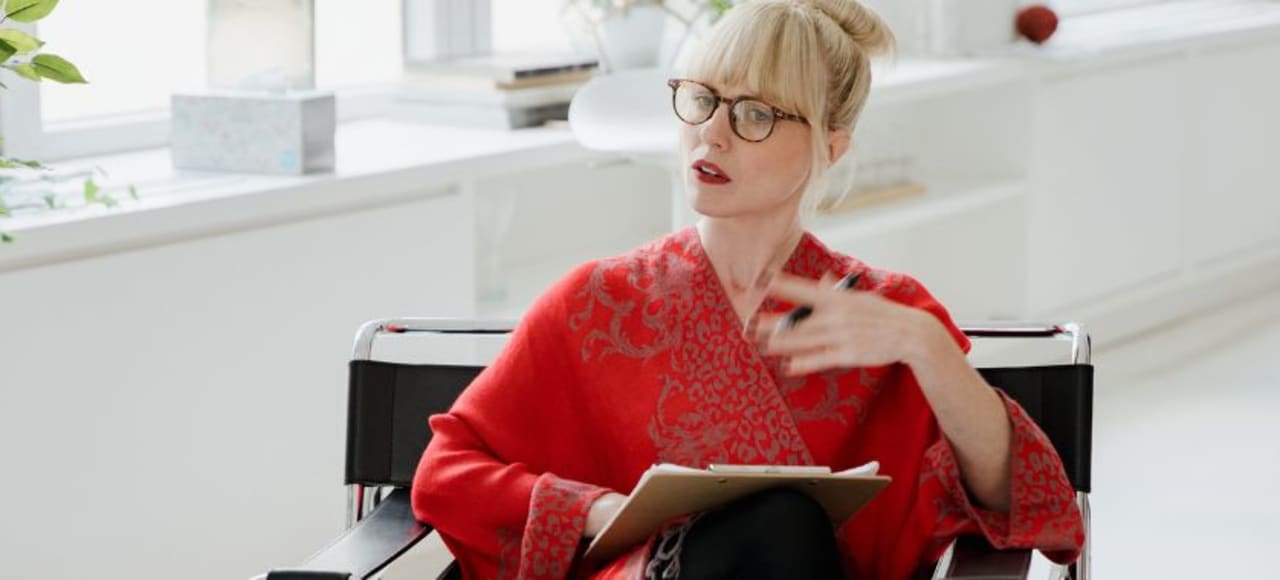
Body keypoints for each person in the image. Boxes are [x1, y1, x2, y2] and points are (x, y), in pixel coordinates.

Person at [411, 0, 1086, 578]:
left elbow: (1015, 497)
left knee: (785, 525)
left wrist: (928, 347)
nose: (711, 133)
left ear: (831, 146)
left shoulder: (887, 315)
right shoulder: (596, 300)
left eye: (755, 113)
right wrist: (597, 509)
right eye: (702, 99)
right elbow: (446, 471)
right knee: (779, 523)